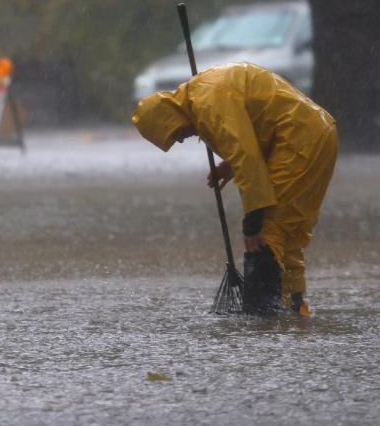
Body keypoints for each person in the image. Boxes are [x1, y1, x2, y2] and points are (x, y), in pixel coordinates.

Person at [131, 62, 338, 316]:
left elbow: (247, 158)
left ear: (168, 119)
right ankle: (294, 312)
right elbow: (251, 132)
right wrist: (228, 167)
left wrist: (252, 224)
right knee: (289, 235)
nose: (181, 139)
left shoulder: (206, 102)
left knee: (268, 231)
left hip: (298, 138)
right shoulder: (201, 96)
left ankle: (264, 316)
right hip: (317, 131)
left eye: (174, 135)